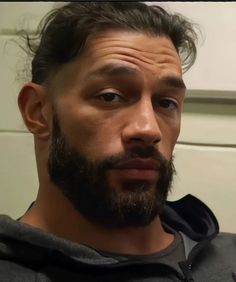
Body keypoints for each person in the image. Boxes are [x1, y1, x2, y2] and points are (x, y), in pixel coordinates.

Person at [0, 2, 235, 281]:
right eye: (110, 96)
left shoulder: (227, 256)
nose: (149, 129)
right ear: (37, 111)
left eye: (166, 102)